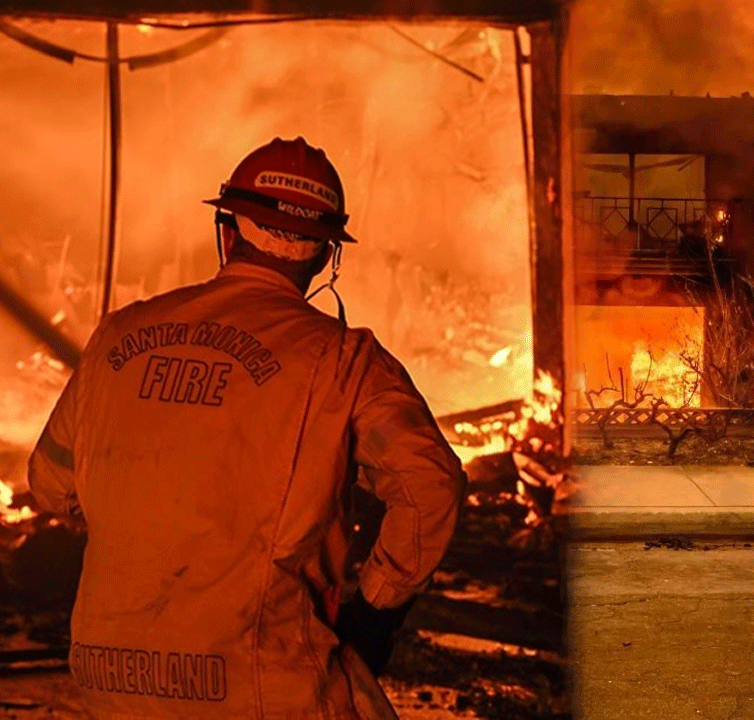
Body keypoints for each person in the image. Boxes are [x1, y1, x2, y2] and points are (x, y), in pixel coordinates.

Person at [27, 137, 467, 719]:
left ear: (228, 232)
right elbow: (430, 485)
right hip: (261, 685)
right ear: (324, 255)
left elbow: (49, 484)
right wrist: (375, 615)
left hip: (106, 673)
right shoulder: (344, 360)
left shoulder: (118, 336)